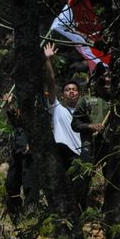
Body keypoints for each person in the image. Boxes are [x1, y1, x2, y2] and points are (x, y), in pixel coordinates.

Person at [43, 42, 82, 171]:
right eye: (67, 90)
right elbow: (51, 82)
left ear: (79, 94)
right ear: (62, 95)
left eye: (74, 89)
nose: (71, 91)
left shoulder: (85, 113)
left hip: (80, 156)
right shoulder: (57, 108)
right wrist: (48, 60)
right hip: (62, 153)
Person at [1, 92, 38, 221]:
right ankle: (15, 216)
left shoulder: (37, 110)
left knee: (30, 185)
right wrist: (9, 104)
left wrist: (32, 143)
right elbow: (15, 121)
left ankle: (30, 217)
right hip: (16, 153)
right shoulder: (21, 117)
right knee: (11, 185)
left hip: (29, 154)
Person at [72, 63, 110, 164]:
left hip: (110, 147)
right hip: (90, 145)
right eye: (103, 81)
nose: (107, 82)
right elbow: (75, 124)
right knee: (86, 175)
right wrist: (90, 126)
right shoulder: (86, 101)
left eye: (109, 80)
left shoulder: (117, 102)